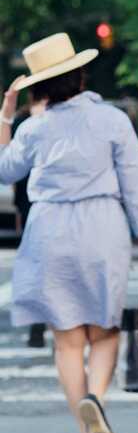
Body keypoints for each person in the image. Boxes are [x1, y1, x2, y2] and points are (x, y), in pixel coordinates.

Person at [0, 32, 138, 433]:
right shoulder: (111, 119)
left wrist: (5, 118)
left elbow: (4, 172)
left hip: (49, 228)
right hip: (101, 226)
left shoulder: (34, 127)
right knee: (104, 330)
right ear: (81, 73)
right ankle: (96, 398)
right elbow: (136, 181)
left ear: (39, 85)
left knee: (67, 340)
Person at [11, 102, 48, 348]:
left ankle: (41, 322)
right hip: (35, 203)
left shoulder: (25, 122)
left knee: (40, 266)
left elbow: (11, 170)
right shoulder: (26, 123)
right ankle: (43, 321)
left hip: (32, 204)